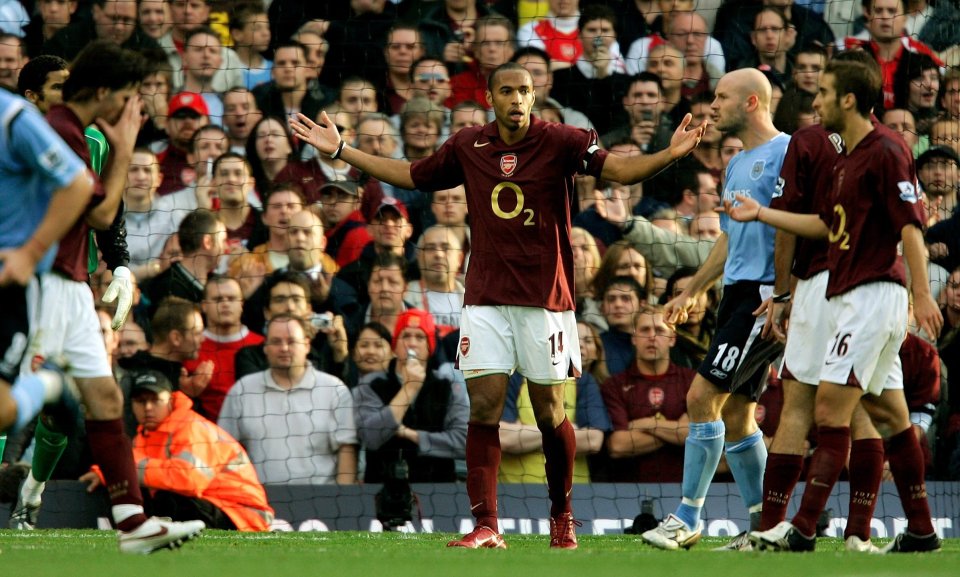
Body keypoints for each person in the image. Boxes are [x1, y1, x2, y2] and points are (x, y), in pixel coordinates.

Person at [290, 60, 703, 549]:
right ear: (491, 97)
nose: (516, 98)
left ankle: (562, 515)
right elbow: (410, 174)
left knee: (550, 411)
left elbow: (617, 168)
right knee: (483, 409)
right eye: (506, 90)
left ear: (533, 95)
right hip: (484, 297)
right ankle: (487, 525)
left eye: (524, 90)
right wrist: (341, 150)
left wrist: (670, 155)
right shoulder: (469, 144)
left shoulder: (562, 140)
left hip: (546, 301)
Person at [727, 56, 942, 553]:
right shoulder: (846, 159)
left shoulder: (889, 150)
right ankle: (923, 530)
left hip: (873, 295)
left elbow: (911, 226)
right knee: (890, 414)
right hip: (847, 295)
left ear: (848, 98)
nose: (815, 100)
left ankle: (801, 527)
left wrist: (923, 293)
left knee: (827, 406)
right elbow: (825, 227)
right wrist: (762, 212)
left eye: (823, 92)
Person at [9, 41, 206, 552]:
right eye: (126, 95)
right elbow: (95, 212)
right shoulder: (57, 132)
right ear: (104, 93)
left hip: (74, 286)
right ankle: (50, 390)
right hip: (44, 284)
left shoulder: (78, 134)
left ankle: (132, 523)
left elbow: (102, 218)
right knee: (14, 407)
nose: (130, 106)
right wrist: (124, 150)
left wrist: (115, 264)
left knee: (104, 398)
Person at [641, 68, 789, 551]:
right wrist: (693, 292)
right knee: (742, 414)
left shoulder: (787, 153)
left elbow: (796, 229)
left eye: (722, 97)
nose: (712, 106)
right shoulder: (735, 163)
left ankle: (686, 518)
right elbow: (730, 237)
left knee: (702, 398)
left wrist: (784, 295)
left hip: (763, 299)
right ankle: (762, 526)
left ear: (750, 103)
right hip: (735, 296)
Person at [82, 369, 274, 531]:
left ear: (171, 401)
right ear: (132, 405)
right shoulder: (143, 437)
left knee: (169, 500)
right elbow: (137, 465)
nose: (148, 407)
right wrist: (106, 472)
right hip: (212, 505)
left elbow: (189, 480)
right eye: (140, 401)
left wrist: (128, 471)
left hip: (243, 513)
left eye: (155, 399)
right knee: (131, 495)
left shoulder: (191, 427)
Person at [219, 314, 358, 485]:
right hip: (259, 503)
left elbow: (347, 450)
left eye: (291, 341)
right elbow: (224, 451)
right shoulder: (242, 391)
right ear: (265, 347)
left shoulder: (334, 390)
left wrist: (342, 500)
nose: (284, 348)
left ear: (307, 345)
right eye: (276, 342)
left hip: (322, 503)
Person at [354, 309, 468, 483]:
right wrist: (408, 390)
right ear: (395, 345)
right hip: (383, 491)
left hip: (438, 490)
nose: (412, 343)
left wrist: (412, 435)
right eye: (405, 336)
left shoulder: (448, 387)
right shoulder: (370, 385)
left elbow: (464, 442)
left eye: (420, 337)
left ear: (430, 346)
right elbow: (371, 437)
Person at [601, 305, 694, 482]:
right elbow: (618, 445)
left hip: (683, 488)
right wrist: (675, 430)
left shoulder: (692, 381)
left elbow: (693, 436)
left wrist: (644, 424)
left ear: (672, 339)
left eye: (659, 330)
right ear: (634, 338)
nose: (652, 336)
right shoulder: (614, 385)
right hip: (627, 490)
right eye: (645, 330)